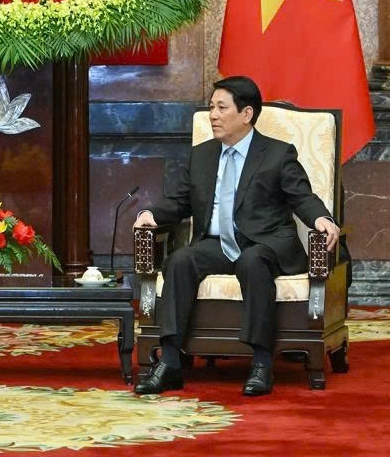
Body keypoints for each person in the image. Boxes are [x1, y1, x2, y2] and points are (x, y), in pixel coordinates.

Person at [133, 76, 340, 397]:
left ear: (246, 114)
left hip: (264, 242)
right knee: (180, 260)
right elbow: (179, 201)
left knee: (252, 260)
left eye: (221, 108)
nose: (213, 115)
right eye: (212, 107)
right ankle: (170, 362)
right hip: (215, 243)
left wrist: (322, 219)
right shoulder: (202, 155)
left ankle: (261, 363)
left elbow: (301, 196)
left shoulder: (277, 153)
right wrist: (152, 215)